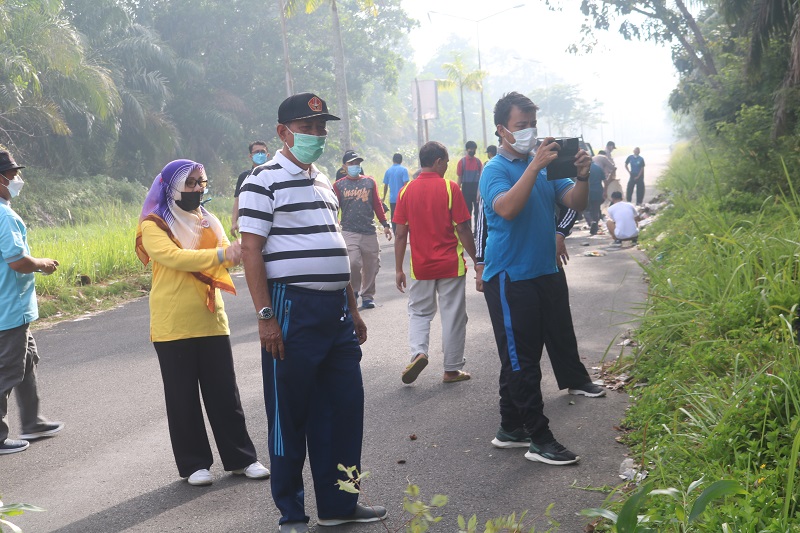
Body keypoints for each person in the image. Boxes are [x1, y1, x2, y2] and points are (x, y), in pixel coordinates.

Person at [238, 92, 387, 533]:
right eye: (308, 128)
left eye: (322, 127)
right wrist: (266, 316)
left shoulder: (326, 181)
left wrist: (353, 308)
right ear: (283, 132)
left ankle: (340, 504)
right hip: (291, 307)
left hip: (335, 313)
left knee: (344, 409)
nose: (317, 135)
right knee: (290, 412)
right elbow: (251, 250)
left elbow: (332, 244)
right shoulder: (261, 181)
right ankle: (292, 512)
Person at [136, 159, 269, 487]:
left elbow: (229, 250)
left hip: (211, 318)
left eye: (201, 182)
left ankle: (242, 459)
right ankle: (194, 464)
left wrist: (231, 252)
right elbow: (173, 257)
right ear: (172, 187)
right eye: (191, 182)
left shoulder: (208, 220)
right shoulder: (154, 224)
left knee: (225, 392)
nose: (198, 188)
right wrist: (223, 255)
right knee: (182, 396)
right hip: (172, 322)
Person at [479, 91, 592, 466]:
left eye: (532, 125)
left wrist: (582, 176)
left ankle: (510, 427)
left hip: (546, 270)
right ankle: (539, 439)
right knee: (522, 360)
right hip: (512, 277)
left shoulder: (543, 167)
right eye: (520, 126)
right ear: (502, 130)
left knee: (520, 355)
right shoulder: (493, 170)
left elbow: (574, 201)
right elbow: (507, 208)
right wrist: (533, 166)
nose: (528, 132)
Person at [474, 200, 606, 400]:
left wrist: (560, 232)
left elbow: (573, 202)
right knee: (519, 336)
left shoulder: (546, 170)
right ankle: (519, 396)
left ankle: (575, 379)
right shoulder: (495, 171)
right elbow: (482, 221)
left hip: (546, 261)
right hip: (510, 267)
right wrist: (480, 263)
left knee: (559, 322)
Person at [393, 141, 477, 385]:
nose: (447, 167)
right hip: (451, 265)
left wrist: (398, 268)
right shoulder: (450, 188)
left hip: (421, 266)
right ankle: (451, 370)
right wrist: (476, 259)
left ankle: (419, 352)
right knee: (453, 315)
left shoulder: (406, 191)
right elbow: (462, 227)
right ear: (438, 161)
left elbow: (400, 234)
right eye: (446, 163)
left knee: (419, 312)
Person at [0, 150, 64, 455]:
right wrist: (42, 264)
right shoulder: (5, 216)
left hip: (13, 308)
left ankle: (32, 421)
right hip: (9, 309)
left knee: (25, 362)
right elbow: (17, 261)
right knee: (8, 370)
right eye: (11, 176)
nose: (17, 180)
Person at [334, 150, 392, 309]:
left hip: (369, 231)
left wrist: (385, 224)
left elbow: (377, 205)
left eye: (357, 163)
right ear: (344, 166)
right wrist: (334, 224)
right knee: (352, 262)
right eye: (351, 163)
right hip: (349, 231)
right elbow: (334, 208)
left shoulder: (369, 182)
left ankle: (367, 296)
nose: (355, 166)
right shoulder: (338, 185)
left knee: (371, 265)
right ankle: (353, 291)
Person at [232, 141, 270, 237]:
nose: (260, 154)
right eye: (256, 152)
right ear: (250, 156)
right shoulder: (244, 176)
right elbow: (238, 200)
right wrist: (233, 223)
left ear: (267, 155)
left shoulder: (273, 174)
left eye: (262, 151)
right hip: (250, 224)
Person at [456, 140, 483, 223]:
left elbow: (481, 179)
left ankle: (476, 232)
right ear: (467, 150)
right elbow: (459, 178)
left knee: (477, 213)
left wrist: (479, 193)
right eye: (470, 149)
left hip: (476, 190)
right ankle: (469, 231)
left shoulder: (478, 162)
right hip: (466, 190)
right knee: (467, 212)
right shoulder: (462, 162)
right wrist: (457, 191)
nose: (472, 151)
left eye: (474, 149)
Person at [381, 153, 410, 233]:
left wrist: (383, 197)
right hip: (402, 198)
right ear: (401, 160)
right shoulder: (403, 170)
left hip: (392, 199)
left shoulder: (388, 171)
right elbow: (406, 184)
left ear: (393, 160)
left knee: (394, 217)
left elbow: (385, 186)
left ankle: (396, 233)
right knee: (405, 216)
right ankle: (405, 232)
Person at [583, 161, 606, 235]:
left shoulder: (582, 168)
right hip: (598, 190)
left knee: (584, 208)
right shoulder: (598, 168)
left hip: (586, 191)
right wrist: (605, 191)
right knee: (596, 209)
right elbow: (605, 180)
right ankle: (595, 225)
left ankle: (590, 221)